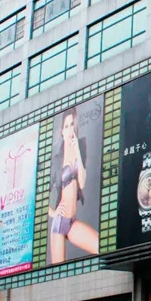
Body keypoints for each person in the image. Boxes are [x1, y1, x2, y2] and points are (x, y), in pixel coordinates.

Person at [48, 107, 100, 264]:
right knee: (57, 273)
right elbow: (39, 197)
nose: (69, 129)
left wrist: (77, 149)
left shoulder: (81, 146)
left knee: (100, 246)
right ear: (62, 131)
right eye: (66, 126)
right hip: (59, 223)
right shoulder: (57, 160)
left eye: (72, 124)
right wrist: (53, 213)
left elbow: (82, 183)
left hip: (72, 222)